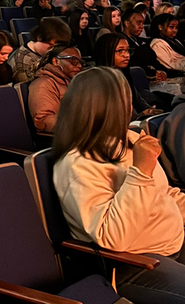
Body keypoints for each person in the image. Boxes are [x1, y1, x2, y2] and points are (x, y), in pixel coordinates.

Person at [52, 66, 185, 303]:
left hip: (173, 243)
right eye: (124, 100)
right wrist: (141, 171)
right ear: (109, 107)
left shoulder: (130, 140)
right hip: (134, 263)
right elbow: (115, 237)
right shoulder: (77, 163)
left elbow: (165, 194)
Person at [94, 33, 165, 118]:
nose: (126, 55)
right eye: (120, 51)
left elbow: (138, 100)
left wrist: (150, 110)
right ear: (106, 51)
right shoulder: (98, 81)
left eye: (128, 50)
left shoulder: (124, 74)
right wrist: (141, 115)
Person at [29, 45, 83, 136]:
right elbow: (43, 120)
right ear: (56, 61)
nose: (80, 66)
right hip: (63, 140)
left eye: (81, 62)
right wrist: (81, 123)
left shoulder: (74, 82)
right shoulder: (43, 84)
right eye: (73, 61)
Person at [8, 17, 71, 82]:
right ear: (39, 38)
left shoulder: (43, 53)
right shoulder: (23, 62)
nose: (54, 50)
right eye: (51, 46)